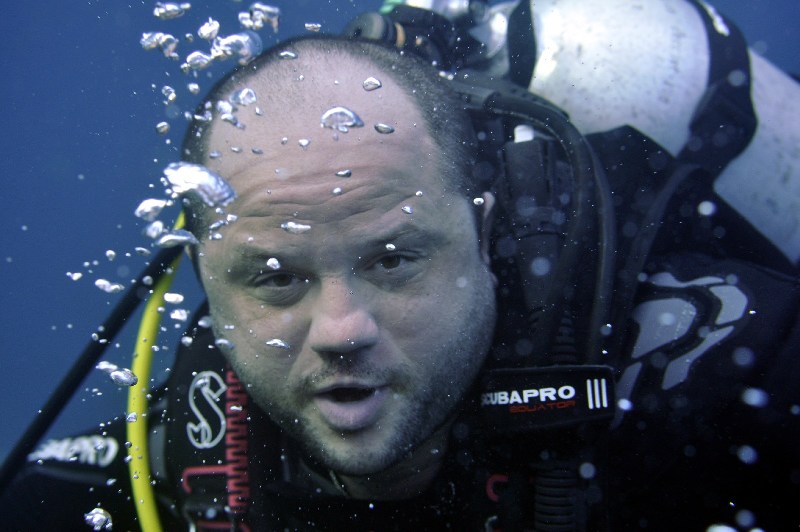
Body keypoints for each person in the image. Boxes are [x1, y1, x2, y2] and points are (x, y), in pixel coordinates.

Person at [2, 22, 799, 532]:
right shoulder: (135, 476)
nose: (343, 329)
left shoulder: (716, 370)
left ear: (483, 232)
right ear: (207, 279)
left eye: (393, 260)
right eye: (276, 277)